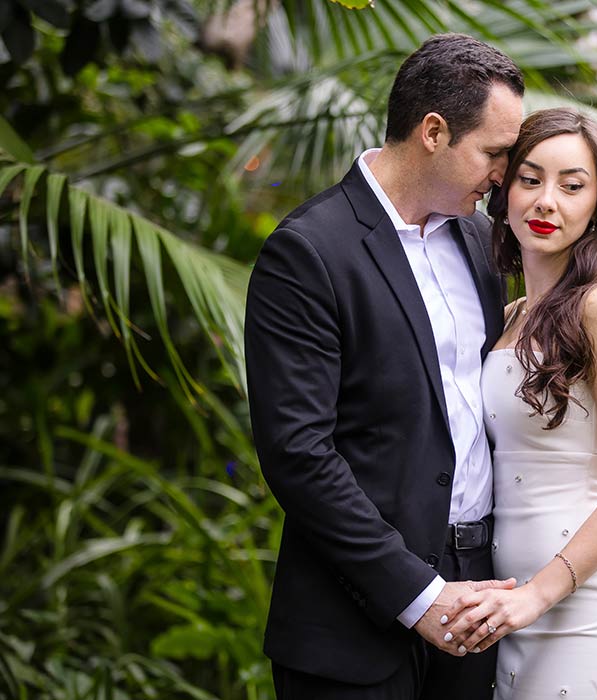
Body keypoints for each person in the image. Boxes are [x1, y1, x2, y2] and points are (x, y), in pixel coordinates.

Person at [243, 34, 525, 700]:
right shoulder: (309, 252)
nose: (504, 176)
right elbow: (298, 453)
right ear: (433, 132)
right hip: (351, 623)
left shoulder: (485, 244)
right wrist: (418, 594)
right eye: (494, 152)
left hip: (481, 605)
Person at [442, 107, 597, 698]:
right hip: (512, 610)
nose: (547, 202)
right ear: (504, 189)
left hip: (587, 610)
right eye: (531, 179)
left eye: (572, 187)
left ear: (596, 206)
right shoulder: (510, 317)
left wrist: (540, 592)